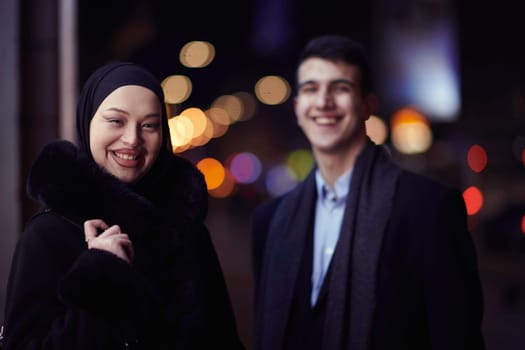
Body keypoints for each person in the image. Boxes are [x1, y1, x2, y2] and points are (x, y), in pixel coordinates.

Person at [251, 34, 485, 350]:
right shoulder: (270, 221)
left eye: (340, 88)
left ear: (368, 105)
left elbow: (458, 339)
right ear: (297, 107)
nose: (323, 102)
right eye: (311, 89)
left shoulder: (429, 209)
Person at [2, 62, 245, 349]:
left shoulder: (186, 230)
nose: (132, 139)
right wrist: (101, 273)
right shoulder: (48, 235)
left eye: (149, 125)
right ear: (88, 122)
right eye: (116, 121)